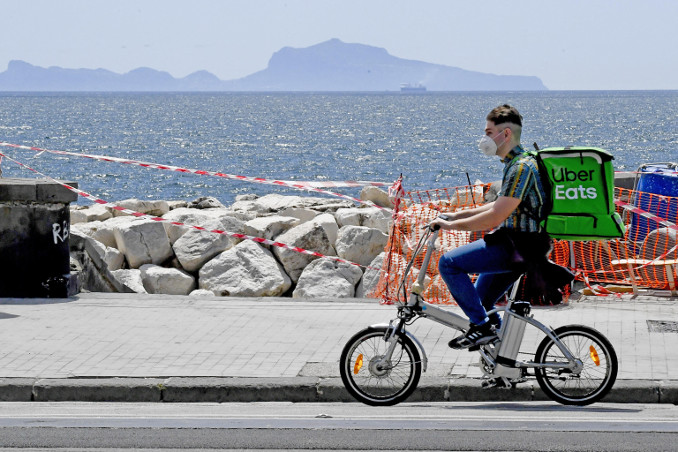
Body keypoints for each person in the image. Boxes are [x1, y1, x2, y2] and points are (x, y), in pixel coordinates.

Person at [430, 104, 548, 349]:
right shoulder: (518, 163)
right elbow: (497, 205)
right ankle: (503, 361)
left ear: (505, 134)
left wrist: (451, 227)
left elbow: (495, 217)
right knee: (482, 302)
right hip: (519, 244)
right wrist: (453, 215)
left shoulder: (520, 168)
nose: (484, 138)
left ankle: (482, 328)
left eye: (488, 132)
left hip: (518, 247)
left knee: (449, 264)